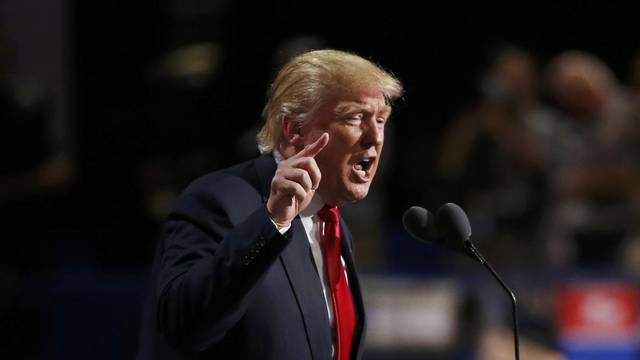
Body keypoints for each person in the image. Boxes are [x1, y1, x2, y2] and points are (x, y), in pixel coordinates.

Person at [137, 49, 403, 359]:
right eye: (355, 117)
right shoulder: (219, 201)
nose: (375, 138)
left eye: (381, 120)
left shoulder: (332, 225)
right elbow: (184, 326)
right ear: (294, 132)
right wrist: (271, 223)